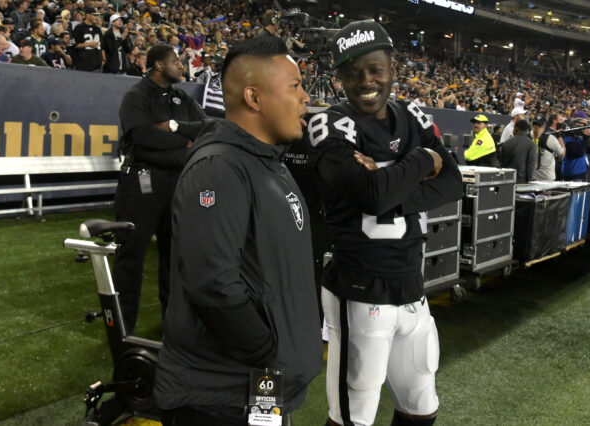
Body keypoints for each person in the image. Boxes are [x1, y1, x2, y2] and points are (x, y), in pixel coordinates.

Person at [154, 36, 323, 425]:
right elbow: (211, 284)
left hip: (258, 388)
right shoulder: (218, 169)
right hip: (221, 399)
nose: (306, 98)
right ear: (254, 97)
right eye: (295, 86)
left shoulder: (270, 165)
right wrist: (270, 351)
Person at [307, 20, 463, 426]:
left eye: (375, 68)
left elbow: (453, 182)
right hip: (361, 288)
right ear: (339, 78)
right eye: (353, 72)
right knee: (354, 413)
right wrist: (420, 161)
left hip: (412, 285)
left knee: (421, 406)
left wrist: (387, 185)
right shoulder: (330, 124)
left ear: (393, 68)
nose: (366, 81)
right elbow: (375, 196)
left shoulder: (410, 113)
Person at [113, 44, 206, 334]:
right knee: (131, 257)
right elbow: (141, 136)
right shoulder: (136, 96)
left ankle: (173, 325)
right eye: (175, 61)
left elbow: (203, 129)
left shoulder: (181, 98)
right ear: (157, 65)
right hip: (141, 184)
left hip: (177, 185)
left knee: (173, 257)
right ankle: (121, 326)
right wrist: (183, 143)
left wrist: (174, 127)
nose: (181, 66)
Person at [562, 113, 590, 182]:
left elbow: (588, 151)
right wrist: (586, 137)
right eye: (583, 125)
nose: (585, 127)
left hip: (582, 172)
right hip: (573, 174)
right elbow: (580, 152)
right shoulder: (568, 139)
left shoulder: (579, 137)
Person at [531, 116, 564, 181]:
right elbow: (562, 154)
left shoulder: (527, 136)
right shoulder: (550, 138)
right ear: (544, 125)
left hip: (531, 177)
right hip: (547, 179)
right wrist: (560, 136)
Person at [72, 6, 102, 71]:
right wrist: (88, 44)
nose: (97, 18)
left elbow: (101, 46)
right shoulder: (79, 28)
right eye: (94, 15)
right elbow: (75, 45)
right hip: (83, 64)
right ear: (88, 15)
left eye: (97, 16)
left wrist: (102, 60)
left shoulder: (98, 29)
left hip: (96, 64)